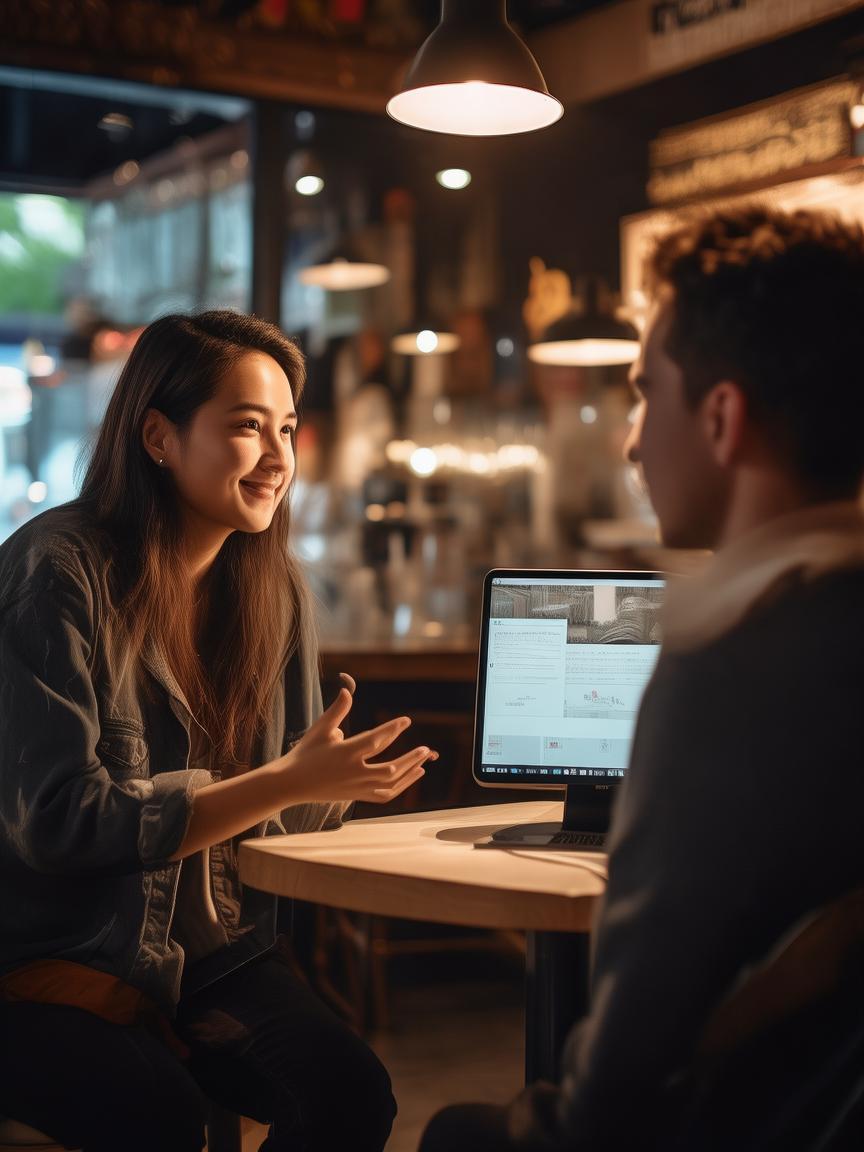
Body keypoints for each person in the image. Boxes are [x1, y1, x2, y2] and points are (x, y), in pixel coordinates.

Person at [419, 206, 864, 1150]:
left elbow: (617, 1086)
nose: (629, 441)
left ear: (721, 417)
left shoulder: (729, 666)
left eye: (641, 393)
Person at [0, 310, 437, 1152]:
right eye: (246, 428)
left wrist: (333, 785)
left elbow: (282, 814)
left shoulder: (277, 592)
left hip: (207, 957)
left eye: (287, 430)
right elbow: (57, 822)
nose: (278, 459)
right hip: (47, 964)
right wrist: (293, 782)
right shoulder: (54, 574)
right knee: (158, 1113)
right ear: (158, 437)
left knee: (351, 1095)